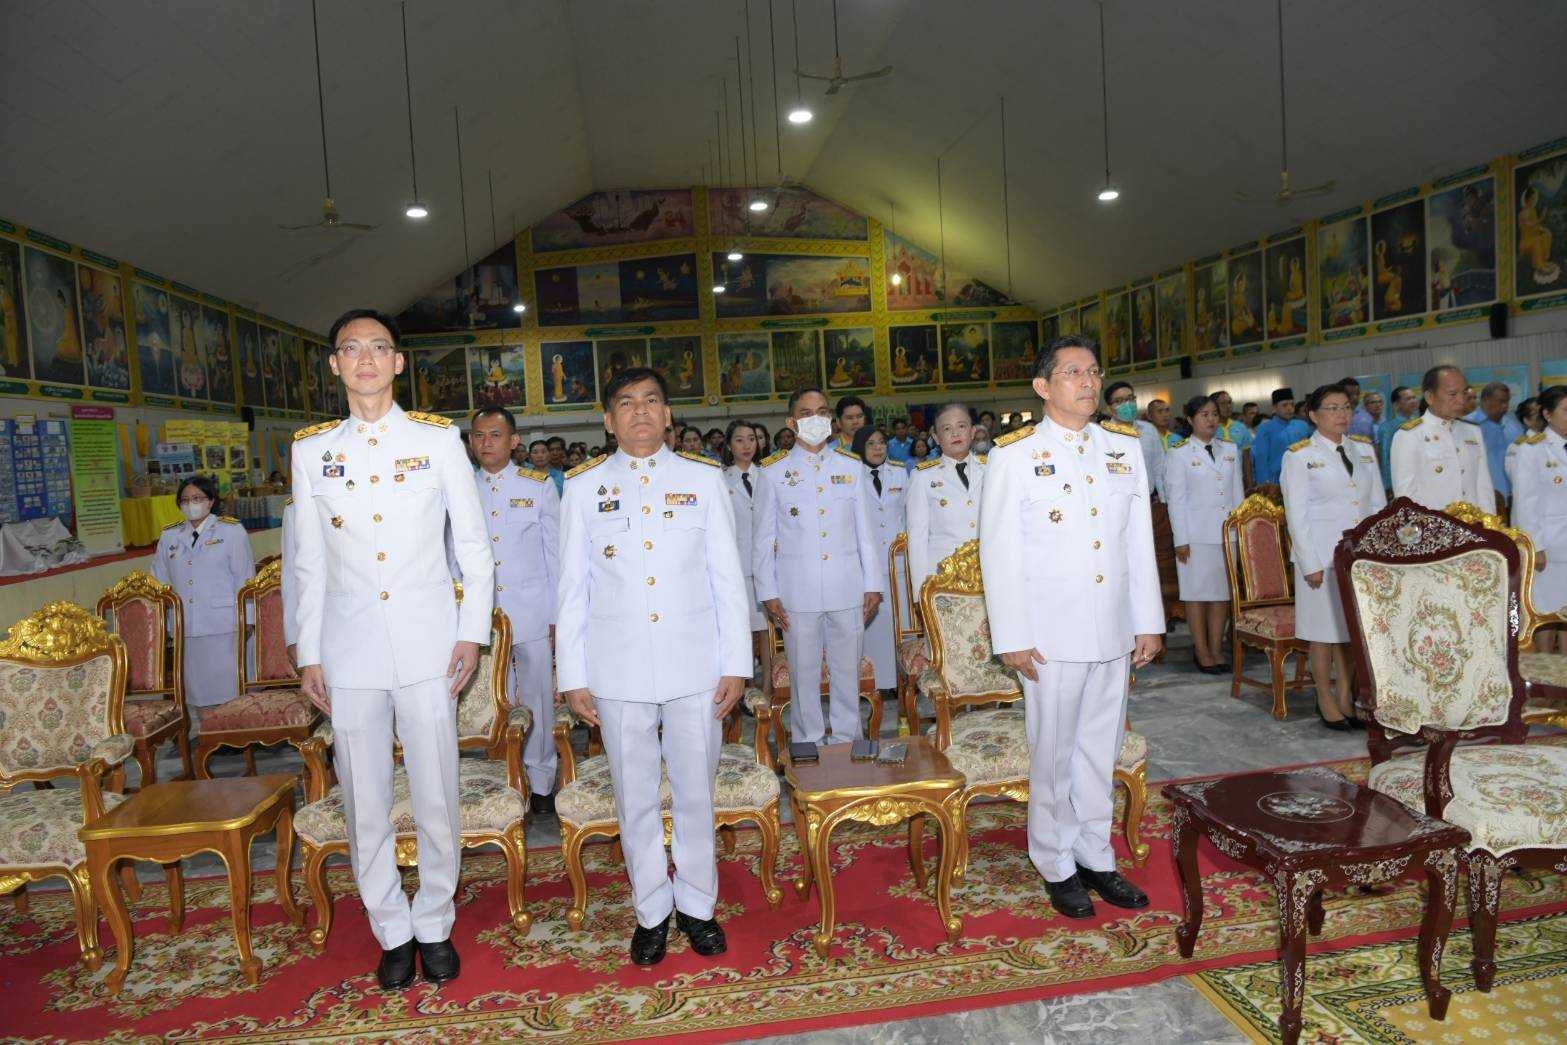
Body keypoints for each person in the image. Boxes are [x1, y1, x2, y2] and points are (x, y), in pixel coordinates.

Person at [291, 308, 492, 990]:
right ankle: (390, 927)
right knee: (364, 799)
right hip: (349, 651)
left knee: (436, 791)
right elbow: (308, 562)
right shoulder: (311, 450)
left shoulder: (437, 440)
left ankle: (434, 919)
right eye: (351, 349)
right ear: (335, 366)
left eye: (379, 348)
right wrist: (307, 650)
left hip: (429, 642)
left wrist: (471, 630)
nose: (367, 360)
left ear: (399, 363)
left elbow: (471, 545)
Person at [555, 367, 750, 966]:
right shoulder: (584, 488)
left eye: (651, 402)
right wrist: (573, 675)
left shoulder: (703, 479)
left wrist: (736, 663)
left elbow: (727, 577)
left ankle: (697, 906)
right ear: (608, 420)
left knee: (696, 791)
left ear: (668, 416)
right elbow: (572, 589)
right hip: (617, 670)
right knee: (633, 794)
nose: (640, 412)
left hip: (695, 663)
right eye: (625, 403)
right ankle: (651, 911)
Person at [980, 333, 1162, 919]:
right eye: (1073, 373)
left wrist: (1148, 622)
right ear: (1043, 387)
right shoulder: (1012, 455)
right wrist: (1011, 636)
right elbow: (998, 552)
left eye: (1094, 372)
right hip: (1050, 637)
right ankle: (1056, 863)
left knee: (1098, 751)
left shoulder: (1122, 448)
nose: (1089, 382)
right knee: (1053, 753)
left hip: (1111, 630)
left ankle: (1096, 856)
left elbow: (1138, 542)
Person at [753, 387, 884, 745]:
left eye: (823, 412)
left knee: (847, 672)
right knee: (804, 674)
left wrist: (873, 584)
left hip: (848, 587)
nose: (816, 419)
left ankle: (846, 741)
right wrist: (768, 592)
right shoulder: (773, 472)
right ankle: (807, 742)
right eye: (807, 413)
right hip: (797, 591)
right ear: (792, 421)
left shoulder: (850, 467)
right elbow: (763, 539)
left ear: (831, 420)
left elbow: (865, 534)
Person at [468, 406, 560, 814]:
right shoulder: (460, 488)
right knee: (492, 697)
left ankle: (541, 779)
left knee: (537, 695)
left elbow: (554, 554)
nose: (485, 443)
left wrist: (559, 613)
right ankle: (503, 774)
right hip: (481, 617)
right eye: (478, 436)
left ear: (513, 441)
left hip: (531, 610)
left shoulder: (538, 487)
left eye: (494, 435)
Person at [1280, 384, 1385, 729]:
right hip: (1321, 557)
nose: (1341, 415)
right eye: (1332, 408)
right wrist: (1308, 562)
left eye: (1346, 408)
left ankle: (1345, 696)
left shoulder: (1364, 451)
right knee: (1323, 632)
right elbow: (1297, 514)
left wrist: (1379, 552)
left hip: (1358, 557)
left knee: (1352, 629)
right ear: (1313, 415)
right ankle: (1324, 697)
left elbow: (1375, 505)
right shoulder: (1299, 456)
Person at [151, 474, 255, 719]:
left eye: (197, 498)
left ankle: (234, 733)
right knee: (198, 688)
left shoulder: (231, 531)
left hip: (225, 623)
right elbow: (160, 582)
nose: (191, 504)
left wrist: (248, 618)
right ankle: (209, 733)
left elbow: (245, 577)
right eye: (185, 500)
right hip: (187, 625)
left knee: (230, 683)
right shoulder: (170, 537)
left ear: (210, 502)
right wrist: (167, 624)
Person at [1164, 395, 1243, 674]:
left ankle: (1217, 648)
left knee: (1221, 594)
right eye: (1203, 415)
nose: (1210, 419)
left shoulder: (1231, 450)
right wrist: (1180, 539)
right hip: (1195, 536)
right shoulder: (1179, 453)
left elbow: (1238, 494)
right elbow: (1177, 500)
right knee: (1196, 595)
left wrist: (1239, 532)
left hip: (1225, 534)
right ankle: (1202, 651)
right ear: (1190, 420)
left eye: (1213, 414)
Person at [906, 403, 985, 596]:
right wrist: (921, 594)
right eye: (947, 429)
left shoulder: (992, 468)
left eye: (961, 426)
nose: (955, 433)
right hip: (944, 578)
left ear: (973, 431)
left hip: (989, 573)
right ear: (936, 438)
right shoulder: (922, 476)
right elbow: (917, 537)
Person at [1510, 386, 1567, 653]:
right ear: (1547, 414)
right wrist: (1536, 547)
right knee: (1545, 614)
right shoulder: (1532, 450)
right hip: (1550, 547)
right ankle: (1545, 676)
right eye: (1566, 410)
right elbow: (1526, 501)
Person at [1391, 365, 1495, 511]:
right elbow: (1405, 498)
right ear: (1430, 397)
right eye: (1453, 394)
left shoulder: (1473, 431)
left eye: (1463, 393)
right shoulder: (1409, 435)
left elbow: (1483, 487)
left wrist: (1489, 529)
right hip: (1434, 530)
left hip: (1473, 528)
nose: (1461, 400)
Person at [854, 426, 906, 694]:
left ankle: (903, 682)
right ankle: (877, 684)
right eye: (871, 443)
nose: (877, 448)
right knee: (876, 628)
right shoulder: (852, 475)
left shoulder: (899, 472)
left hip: (897, 564)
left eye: (882, 443)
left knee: (901, 623)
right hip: (869, 566)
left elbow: (907, 514)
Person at [722, 419, 767, 648]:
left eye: (751, 439)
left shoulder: (768, 475)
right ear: (729, 446)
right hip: (737, 564)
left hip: (767, 562)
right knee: (742, 626)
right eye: (739, 440)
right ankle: (747, 681)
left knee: (767, 627)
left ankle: (770, 683)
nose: (747, 445)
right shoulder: (720, 479)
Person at [1104, 381, 1167, 499]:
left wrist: (1163, 499)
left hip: (1150, 499)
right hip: (1118, 502)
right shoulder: (1103, 436)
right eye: (1119, 401)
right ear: (1109, 409)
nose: (1127, 404)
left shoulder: (1148, 429)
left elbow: (1159, 466)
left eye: (1130, 399)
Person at [1465, 381, 1523, 503]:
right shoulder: (1466, 426)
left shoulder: (1515, 427)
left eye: (1507, 401)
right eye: (1501, 401)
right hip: (1481, 499)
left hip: (1514, 497)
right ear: (1486, 400)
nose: (1505, 406)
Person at [1250, 388, 1309, 485]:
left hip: (1302, 477)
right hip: (1276, 481)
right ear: (1274, 407)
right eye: (1285, 405)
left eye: (1292, 404)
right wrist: (1264, 486)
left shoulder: (1302, 426)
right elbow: (1261, 461)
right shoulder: (1265, 429)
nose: (1289, 408)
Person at [1376, 385, 1420, 492]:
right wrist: (1389, 487)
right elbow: (1386, 459)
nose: (1413, 401)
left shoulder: (1422, 423)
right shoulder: (1387, 428)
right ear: (1396, 405)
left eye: (1414, 397)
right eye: (1408, 399)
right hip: (1400, 482)